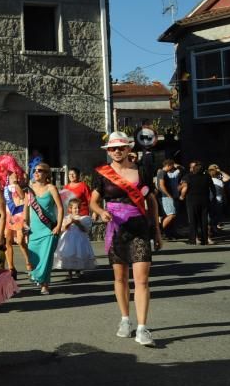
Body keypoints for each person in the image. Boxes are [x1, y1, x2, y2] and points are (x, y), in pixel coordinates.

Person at [90, 131, 161, 346]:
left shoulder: (142, 170)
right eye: (113, 148)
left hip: (140, 228)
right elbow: (93, 201)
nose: (117, 151)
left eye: (121, 147)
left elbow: (152, 202)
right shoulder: (102, 173)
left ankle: (142, 328)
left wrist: (156, 230)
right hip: (116, 229)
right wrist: (101, 212)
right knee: (120, 278)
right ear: (108, 151)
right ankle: (125, 319)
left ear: (129, 148)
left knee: (142, 279)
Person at [25, 162, 63, 295]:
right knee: (34, 257)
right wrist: (25, 225)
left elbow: (60, 207)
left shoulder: (51, 188)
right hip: (33, 229)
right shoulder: (29, 188)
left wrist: (59, 225)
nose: (36, 172)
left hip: (48, 228)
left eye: (40, 170)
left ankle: (45, 285)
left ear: (47, 174)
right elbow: (26, 208)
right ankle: (40, 279)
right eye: (35, 170)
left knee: (46, 258)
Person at [0, 154, 32, 280]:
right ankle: (11, 268)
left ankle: (29, 261)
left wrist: (16, 184)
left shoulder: (21, 174)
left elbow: (24, 196)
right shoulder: (3, 179)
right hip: (8, 213)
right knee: (7, 241)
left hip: (19, 212)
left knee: (21, 241)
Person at [53, 199, 96, 279]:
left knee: (79, 254)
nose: (77, 210)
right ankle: (69, 273)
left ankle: (78, 271)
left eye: (79, 208)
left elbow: (85, 230)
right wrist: (69, 223)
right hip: (69, 240)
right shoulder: (66, 218)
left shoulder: (84, 218)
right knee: (69, 254)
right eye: (75, 208)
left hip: (80, 239)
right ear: (70, 209)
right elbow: (63, 229)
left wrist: (78, 223)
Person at [179, 161, 214, 245]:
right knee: (204, 220)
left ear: (193, 169)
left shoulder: (188, 177)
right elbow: (212, 187)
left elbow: (184, 188)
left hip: (191, 200)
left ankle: (193, 239)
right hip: (204, 200)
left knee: (192, 220)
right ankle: (205, 240)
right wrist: (214, 197)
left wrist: (181, 195)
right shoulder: (207, 176)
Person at [156, 158, 182, 238]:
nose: (173, 168)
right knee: (171, 214)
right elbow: (161, 185)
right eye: (172, 166)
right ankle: (158, 232)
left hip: (166, 196)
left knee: (170, 214)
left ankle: (162, 232)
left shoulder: (163, 172)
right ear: (169, 165)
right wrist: (169, 195)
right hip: (166, 197)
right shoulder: (162, 172)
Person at [207, 164, 230, 234]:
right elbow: (223, 192)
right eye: (215, 168)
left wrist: (219, 171)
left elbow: (228, 178)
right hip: (217, 200)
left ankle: (213, 229)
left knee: (213, 215)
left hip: (212, 199)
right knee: (215, 215)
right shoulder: (218, 181)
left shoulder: (218, 178)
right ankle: (213, 229)